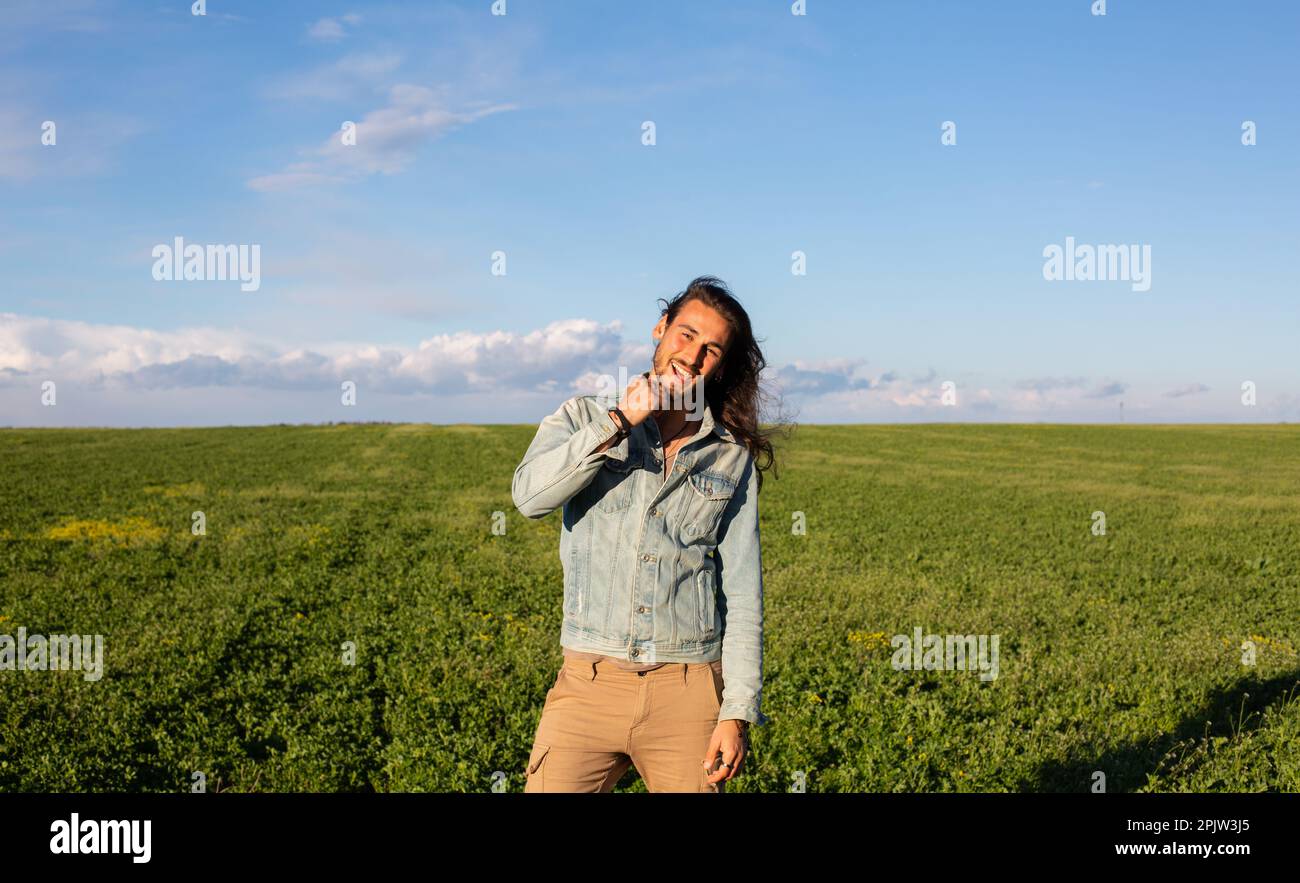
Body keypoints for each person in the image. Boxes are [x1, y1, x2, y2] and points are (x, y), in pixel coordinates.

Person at [512, 275, 779, 792]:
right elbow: (529, 499)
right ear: (660, 328)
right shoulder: (583, 417)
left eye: (711, 350)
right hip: (588, 683)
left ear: (720, 365)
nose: (693, 356)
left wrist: (736, 712)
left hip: (688, 690)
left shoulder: (728, 455)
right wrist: (620, 420)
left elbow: (743, 594)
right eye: (685, 334)